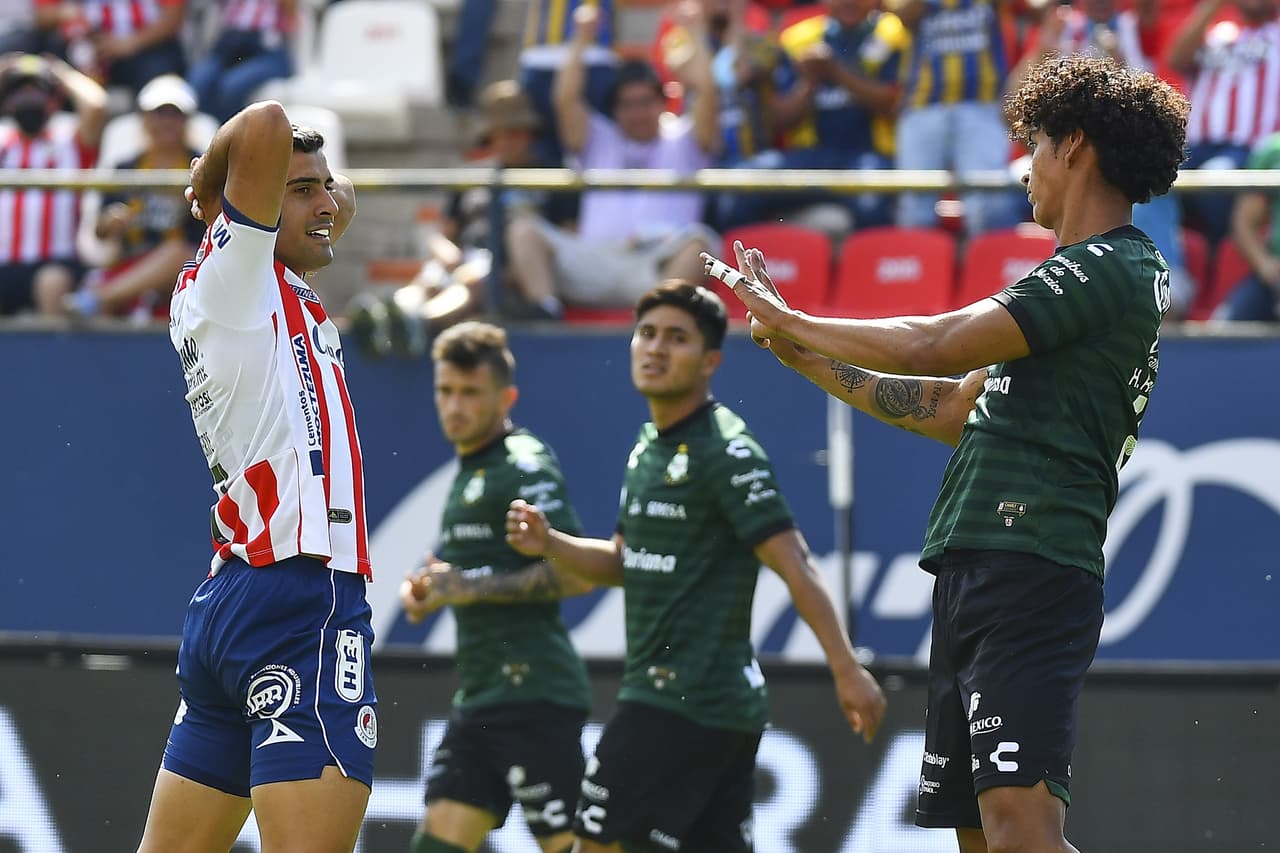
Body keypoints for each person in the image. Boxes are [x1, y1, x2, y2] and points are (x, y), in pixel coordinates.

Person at [702, 54, 1187, 852]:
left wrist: (797, 321)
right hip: (979, 568)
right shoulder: (1078, 277)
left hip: (1031, 566)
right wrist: (807, 357)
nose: (1021, 165)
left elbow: (935, 342)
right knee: (979, 836)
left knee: (1021, 831)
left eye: (1031, 143)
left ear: (1075, 146)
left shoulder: (1109, 267)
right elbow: (950, 404)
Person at [504, 280, 886, 853]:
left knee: (594, 846)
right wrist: (551, 542)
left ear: (710, 361)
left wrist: (845, 666)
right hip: (712, 710)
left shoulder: (725, 450)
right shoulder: (647, 447)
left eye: (676, 338)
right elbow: (622, 562)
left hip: (681, 702)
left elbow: (795, 562)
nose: (655, 348)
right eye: (647, 333)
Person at [136, 102, 376, 852]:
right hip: (302, 594)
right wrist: (211, 178)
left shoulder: (250, 282)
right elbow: (268, 122)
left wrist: (308, 183)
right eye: (302, 189)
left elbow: (329, 202)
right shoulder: (236, 271)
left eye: (327, 187)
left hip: (235, 595)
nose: (329, 204)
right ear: (250, 204)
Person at [399, 320, 594, 853]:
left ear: (505, 397)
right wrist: (430, 591)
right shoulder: (471, 469)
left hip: (533, 697)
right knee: (437, 841)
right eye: (445, 391)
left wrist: (465, 588)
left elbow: (578, 573)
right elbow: (469, 575)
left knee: (569, 846)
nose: (454, 406)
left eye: (470, 393)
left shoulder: (522, 465)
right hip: (482, 698)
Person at [507, 4, 720, 317]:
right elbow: (565, 98)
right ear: (614, 111)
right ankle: (546, 311)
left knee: (701, 243)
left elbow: (708, 91)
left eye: (646, 102)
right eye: (627, 104)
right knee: (523, 230)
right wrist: (581, 40)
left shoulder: (685, 138)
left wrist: (696, 33)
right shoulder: (599, 137)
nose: (637, 112)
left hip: (655, 265)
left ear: (663, 102)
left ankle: (657, 322)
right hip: (592, 262)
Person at [67, 74, 205, 321]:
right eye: (158, 113)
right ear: (144, 118)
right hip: (131, 263)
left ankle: (99, 299)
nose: (166, 122)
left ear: (187, 120)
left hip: (185, 274)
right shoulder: (126, 167)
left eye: (175, 114)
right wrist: (111, 221)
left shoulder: (203, 169)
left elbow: (202, 237)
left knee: (177, 253)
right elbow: (99, 230)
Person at [0, 52, 105, 317]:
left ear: (52, 102)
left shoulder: (69, 140)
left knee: (52, 282)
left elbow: (96, 105)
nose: (28, 101)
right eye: (20, 94)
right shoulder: (3, 142)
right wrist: (5, 69)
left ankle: (56, 357)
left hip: (55, 262)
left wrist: (58, 71)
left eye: (36, 93)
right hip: (4, 264)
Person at [1166, 0, 1280, 244]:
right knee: (1152, 181)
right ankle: (1174, 269)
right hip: (1192, 147)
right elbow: (1176, 58)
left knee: (1215, 176)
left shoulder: (1276, 37)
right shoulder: (1217, 34)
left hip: (1246, 150)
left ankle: (1218, 257)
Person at [1217, 129, 1280, 320]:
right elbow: (1243, 223)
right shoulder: (1272, 151)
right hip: (1273, 276)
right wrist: (1266, 266)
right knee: (1219, 329)